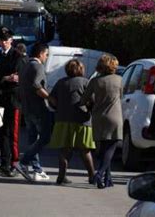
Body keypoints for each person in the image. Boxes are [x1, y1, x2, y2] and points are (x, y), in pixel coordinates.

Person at [48, 59, 95, 185]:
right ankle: (92, 176)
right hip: (81, 119)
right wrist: (89, 110)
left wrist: (57, 108)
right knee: (85, 150)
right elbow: (92, 100)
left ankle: (61, 176)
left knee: (65, 150)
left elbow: (51, 98)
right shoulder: (86, 82)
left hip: (62, 119)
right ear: (81, 69)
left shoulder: (60, 82)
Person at [81, 55, 123, 189]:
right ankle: (98, 174)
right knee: (111, 148)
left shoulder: (94, 81)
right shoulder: (119, 80)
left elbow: (83, 100)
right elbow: (121, 96)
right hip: (114, 116)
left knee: (104, 148)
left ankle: (107, 180)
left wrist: (92, 104)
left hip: (98, 117)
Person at [0, 27, 26, 177]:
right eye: (1, 40)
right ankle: (4, 163)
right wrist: (5, 78)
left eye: (6, 40)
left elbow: (19, 78)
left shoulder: (18, 57)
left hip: (13, 100)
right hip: (0, 99)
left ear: (11, 40)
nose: (3, 43)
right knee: (2, 133)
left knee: (13, 134)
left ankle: (14, 163)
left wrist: (5, 78)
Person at [16, 43, 52, 182]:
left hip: (27, 108)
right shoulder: (37, 66)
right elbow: (37, 85)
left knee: (32, 138)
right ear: (41, 53)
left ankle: (36, 169)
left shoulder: (25, 66)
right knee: (45, 137)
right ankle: (24, 162)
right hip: (38, 108)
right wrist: (49, 98)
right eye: (46, 54)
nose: (47, 57)